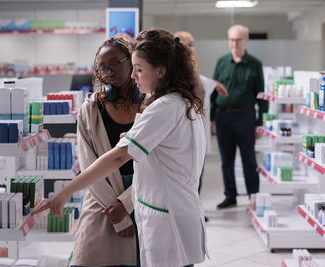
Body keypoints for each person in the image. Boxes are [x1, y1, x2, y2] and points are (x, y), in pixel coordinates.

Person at [33, 28, 207, 267]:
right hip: (177, 211)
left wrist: (63, 194)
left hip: (167, 218)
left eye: (139, 69)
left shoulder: (161, 108)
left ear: (161, 71)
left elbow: (116, 158)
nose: (134, 77)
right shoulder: (184, 103)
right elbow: (168, 150)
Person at [71, 37, 141, 267]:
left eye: (115, 63)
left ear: (131, 61)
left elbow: (159, 163)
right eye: (103, 67)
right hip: (102, 197)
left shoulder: (151, 105)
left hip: (144, 192)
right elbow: (88, 164)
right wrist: (118, 215)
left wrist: (126, 205)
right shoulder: (90, 109)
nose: (109, 71)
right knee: (87, 257)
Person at [210, 24, 268, 209]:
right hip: (222, 116)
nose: (234, 43)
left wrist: (260, 123)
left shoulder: (254, 64)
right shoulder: (221, 62)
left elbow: (261, 95)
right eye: (231, 39)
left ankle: (254, 196)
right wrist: (211, 118)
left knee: (248, 159)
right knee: (226, 160)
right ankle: (230, 195)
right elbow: (213, 91)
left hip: (246, 116)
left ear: (246, 40)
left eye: (238, 39)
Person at [174, 31, 228, 222]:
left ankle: (195, 211)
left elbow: (202, 83)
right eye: (188, 44)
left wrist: (217, 84)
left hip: (200, 135)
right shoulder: (175, 75)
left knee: (198, 175)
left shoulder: (193, 72)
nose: (192, 48)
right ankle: (187, 213)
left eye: (193, 43)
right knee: (185, 178)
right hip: (183, 138)